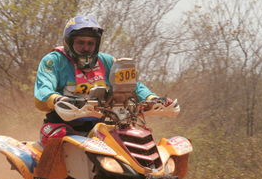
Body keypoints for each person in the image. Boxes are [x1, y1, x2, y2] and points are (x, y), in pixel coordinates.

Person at [34, 15, 170, 145]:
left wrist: (153, 98)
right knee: (57, 137)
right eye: (80, 43)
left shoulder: (108, 61)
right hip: (62, 124)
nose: (86, 48)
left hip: (103, 125)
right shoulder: (54, 60)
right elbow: (43, 89)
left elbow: (132, 86)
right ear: (69, 42)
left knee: (137, 136)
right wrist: (58, 99)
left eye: (90, 43)